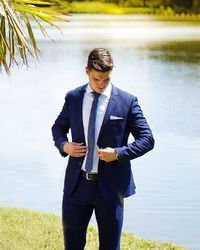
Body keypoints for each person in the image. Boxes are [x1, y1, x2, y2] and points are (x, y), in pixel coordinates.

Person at [51, 48, 155, 250]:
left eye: (106, 79)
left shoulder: (127, 102)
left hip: (111, 188)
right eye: (97, 78)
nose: (101, 84)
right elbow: (58, 128)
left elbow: (147, 139)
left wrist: (118, 153)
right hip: (76, 186)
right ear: (86, 71)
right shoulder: (73, 97)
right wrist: (65, 145)